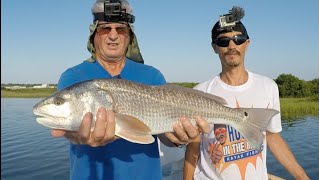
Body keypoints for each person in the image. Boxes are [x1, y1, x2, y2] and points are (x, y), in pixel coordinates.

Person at [50, 0, 210, 179]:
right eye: (105, 28)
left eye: (121, 29)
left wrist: (179, 138)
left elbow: (164, 134)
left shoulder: (152, 75)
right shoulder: (73, 76)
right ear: (93, 34)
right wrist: (76, 136)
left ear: (130, 36)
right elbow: (69, 130)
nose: (113, 35)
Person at [183, 6, 310, 180]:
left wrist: (303, 176)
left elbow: (272, 137)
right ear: (214, 47)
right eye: (223, 41)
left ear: (247, 43)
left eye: (238, 38)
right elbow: (193, 146)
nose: (232, 45)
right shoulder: (200, 91)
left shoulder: (268, 86)